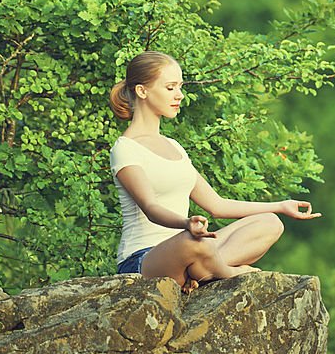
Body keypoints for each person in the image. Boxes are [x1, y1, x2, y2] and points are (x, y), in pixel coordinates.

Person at [109, 51, 321, 293]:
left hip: (192, 249)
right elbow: (150, 208)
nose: (179, 95)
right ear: (142, 91)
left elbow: (217, 205)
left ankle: (202, 270)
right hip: (143, 260)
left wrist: (280, 206)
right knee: (193, 243)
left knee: (270, 223)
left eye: (180, 87)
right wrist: (186, 223)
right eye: (170, 88)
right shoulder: (125, 149)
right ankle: (226, 271)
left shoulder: (174, 147)